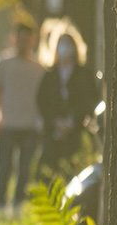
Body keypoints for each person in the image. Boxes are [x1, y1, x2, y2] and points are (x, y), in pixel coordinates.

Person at [0, 20, 46, 210]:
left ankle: (18, 206)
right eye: (20, 38)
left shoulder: (39, 68)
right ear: (14, 40)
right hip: (8, 124)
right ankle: (0, 203)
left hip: (29, 125)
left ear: (32, 41)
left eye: (27, 39)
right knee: (4, 167)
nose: (23, 43)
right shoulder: (3, 64)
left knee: (24, 169)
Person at [35, 31, 99, 177]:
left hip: (77, 133)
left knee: (73, 171)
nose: (64, 48)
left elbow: (89, 101)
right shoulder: (50, 75)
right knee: (50, 173)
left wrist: (73, 121)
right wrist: (55, 122)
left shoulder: (84, 74)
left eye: (68, 44)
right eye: (61, 44)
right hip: (53, 134)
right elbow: (42, 101)